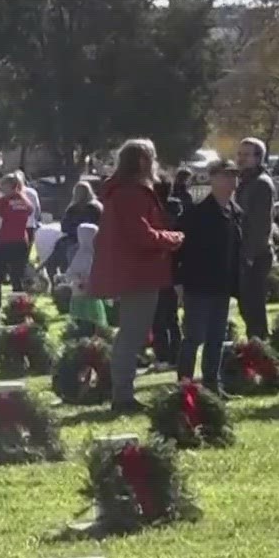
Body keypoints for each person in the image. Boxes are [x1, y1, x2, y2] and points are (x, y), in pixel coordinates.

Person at [90, 139, 183, 411]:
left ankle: (122, 391)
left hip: (132, 271)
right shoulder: (132, 192)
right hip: (138, 272)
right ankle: (123, 396)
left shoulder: (121, 191)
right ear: (143, 160)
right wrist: (172, 238)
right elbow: (141, 235)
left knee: (130, 334)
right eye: (152, 158)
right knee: (132, 335)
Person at [175, 160, 243, 393]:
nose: (231, 180)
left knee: (216, 337)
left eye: (234, 174)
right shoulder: (197, 214)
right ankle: (184, 386)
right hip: (198, 284)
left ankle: (212, 384)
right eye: (226, 175)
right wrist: (178, 282)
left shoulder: (235, 212)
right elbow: (178, 250)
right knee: (194, 336)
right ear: (212, 179)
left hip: (222, 285)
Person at [235, 138, 275, 340]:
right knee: (247, 305)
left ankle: (259, 349)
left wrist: (249, 256)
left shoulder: (260, 184)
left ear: (258, 158)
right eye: (239, 154)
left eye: (246, 155)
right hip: (246, 251)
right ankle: (257, 345)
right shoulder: (246, 180)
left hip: (255, 254)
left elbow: (260, 225)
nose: (240, 159)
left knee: (253, 306)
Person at [151, 175, 188, 365]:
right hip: (173, 269)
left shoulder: (152, 213)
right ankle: (176, 354)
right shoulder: (177, 211)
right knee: (171, 315)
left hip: (156, 269)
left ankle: (163, 355)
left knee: (158, 317)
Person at [0, 173, 35, 308]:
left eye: (3, 185)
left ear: (9, 185)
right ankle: (20, 306)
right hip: (22, 241)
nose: (1, 188)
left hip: (5, 241)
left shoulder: (3, 201)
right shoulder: (26, 201)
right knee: (17, 277)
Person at [64, 222, 105, 329]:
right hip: (81, 291)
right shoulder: (81, 254)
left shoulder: (93, 254)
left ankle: (90, 332)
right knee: (83, 315)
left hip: (88, 292)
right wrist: (79, 279)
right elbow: (70, 273)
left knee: (90, 316)